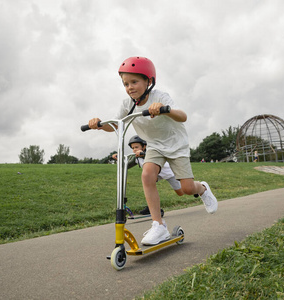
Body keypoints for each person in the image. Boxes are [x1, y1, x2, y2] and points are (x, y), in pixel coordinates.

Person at [88, 56, 218, 245]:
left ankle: (203, 188)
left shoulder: (160, 97)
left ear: (149, 81)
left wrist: (165, 110)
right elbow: (116, 125)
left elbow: (183, 116)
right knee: (147, 175)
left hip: (176, 144)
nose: (130, 87)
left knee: (187, 189)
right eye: (126, 84)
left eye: (134, 82)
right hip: (155, 146)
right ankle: (159, 225)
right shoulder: (127, 105)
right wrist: (99, 125)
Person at [112, 135, 184, 215]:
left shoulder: (151, 153)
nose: (134, 150)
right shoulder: (137, 158)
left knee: (181, 192)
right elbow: (126, 166)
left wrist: (144, 154)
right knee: (148, 186)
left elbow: (152, 157)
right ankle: (152, 208)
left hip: (168, 173)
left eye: (136, 147)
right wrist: (120, 159)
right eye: (133, 148)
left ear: (144, 146)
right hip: (155, 175)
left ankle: (198, 185)